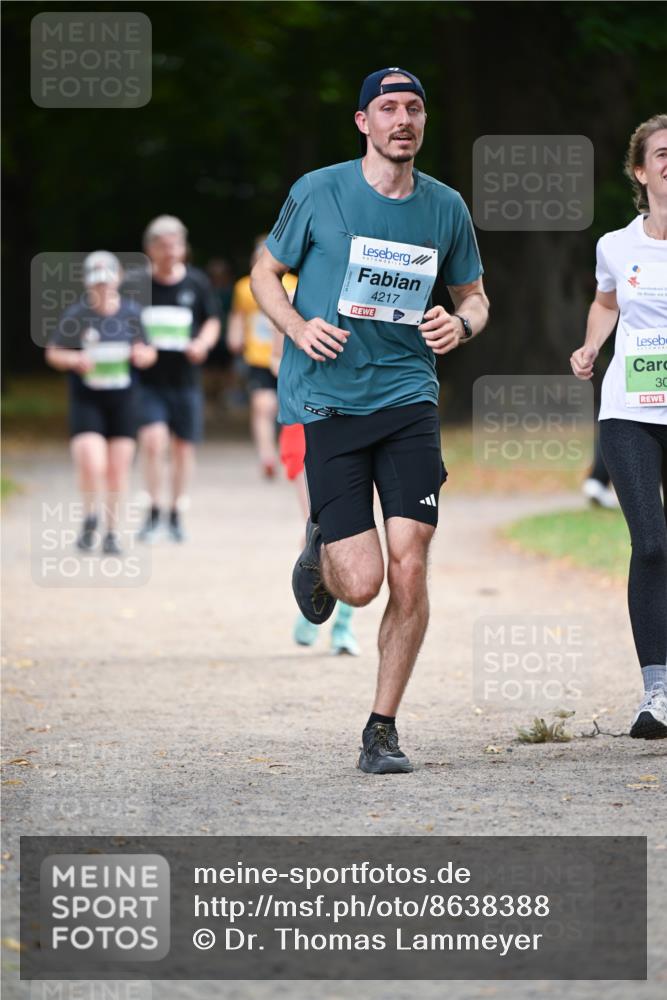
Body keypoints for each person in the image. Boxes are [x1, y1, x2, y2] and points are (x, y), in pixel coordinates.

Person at [252, 68, 489, 773]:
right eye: (387, 108)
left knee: (409, 567)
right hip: (326, 396)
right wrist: (296, 327)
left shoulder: (444, 206)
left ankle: (380, 729)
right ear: (363, 122)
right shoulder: (318, 191)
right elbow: (266, 272)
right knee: (360, 582)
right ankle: (321, 550)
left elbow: (474, 296)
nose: (402, 119)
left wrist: (461, 325)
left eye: (413, 108)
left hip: (409, 396)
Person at [570, 114, 667, 739]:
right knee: (652, 545)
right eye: (662, 153)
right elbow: (606, 302)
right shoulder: (615, 245)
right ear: (641, 170)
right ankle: (658, 694)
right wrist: (589, 347)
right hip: (630, 409)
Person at [45, 251, 156, 553]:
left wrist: (142, 355)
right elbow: (53, 352)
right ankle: (89, 516)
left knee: (117, 471)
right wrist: (73, 358)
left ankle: (110, 532)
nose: (103, 288)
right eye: (97, 283)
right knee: (92, 463)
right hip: (87, 400)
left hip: (123, 401)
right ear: (88, 284)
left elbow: (148, 351)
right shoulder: (76, 316)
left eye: (107, 282)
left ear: (117, 280)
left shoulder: (132, 314)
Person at [272, 332, 361, 655]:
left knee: (361, 526)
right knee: (318, 522)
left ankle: (344, 625)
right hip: (306, 420)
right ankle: (313, 608)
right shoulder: (290, 299)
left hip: (360, 416)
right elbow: (274, 359)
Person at [137, 216, 220, 542]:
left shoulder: (196, 283)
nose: (170, 251)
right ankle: (153, 509)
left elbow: (212, 320)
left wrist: (203, 343)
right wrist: (137, 347)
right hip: (148, 383)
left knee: (184, 449)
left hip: (185, 382)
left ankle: (175, 513)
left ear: (184, 248)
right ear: (150, 249)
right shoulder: (138, 284)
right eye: (163, 245)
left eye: (175, 244)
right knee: (153, 441)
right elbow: (122, 321)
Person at [227, 236, 297, 478]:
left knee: (288, 408)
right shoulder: (244, 287)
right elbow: (238, 314)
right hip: (258, 356)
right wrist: (234, 336)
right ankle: (267, 455)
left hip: (289, 358)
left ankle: (290, 452)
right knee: (262, 406)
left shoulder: (294, 284)